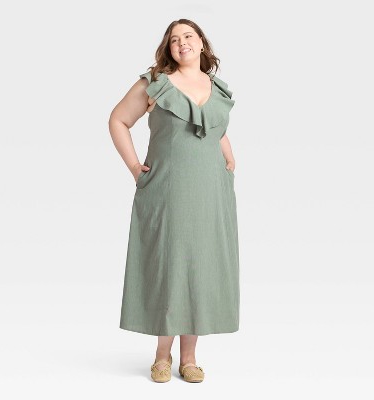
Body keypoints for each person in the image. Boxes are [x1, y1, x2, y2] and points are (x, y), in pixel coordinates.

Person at [108, 18, 239, 383]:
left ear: (202, 43)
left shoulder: (215, 87)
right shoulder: (155, 83)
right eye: (174, 39)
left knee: (200, 268)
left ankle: (190, 358)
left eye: (189, 35)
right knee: (170, 266)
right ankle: (162, 355)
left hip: (211, 192)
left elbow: (214, 127)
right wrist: (135, 167)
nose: (182, 42)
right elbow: (118, 120)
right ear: (168, 48)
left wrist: (229, 158)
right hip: (167, 189)